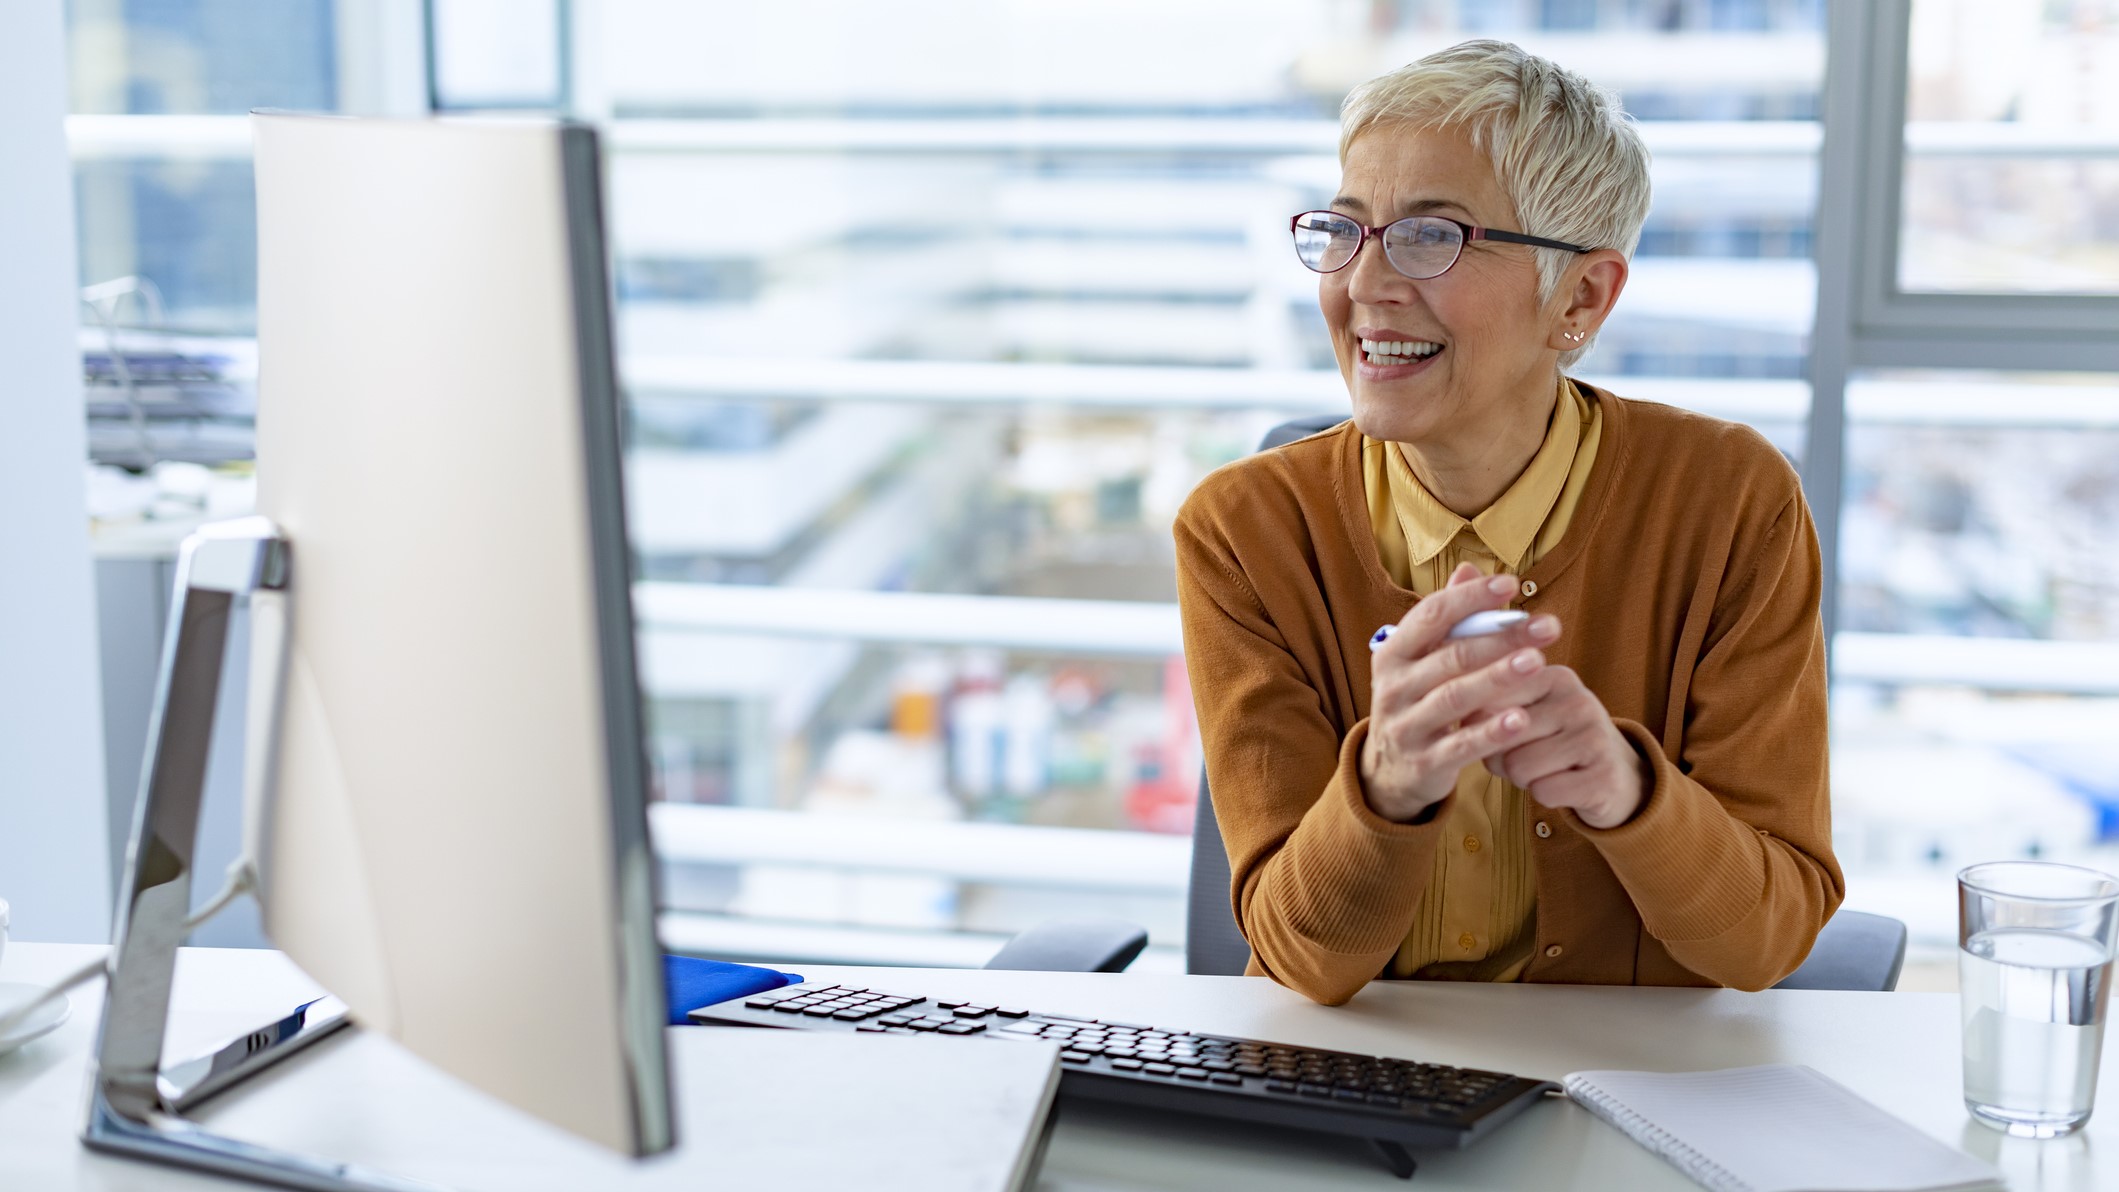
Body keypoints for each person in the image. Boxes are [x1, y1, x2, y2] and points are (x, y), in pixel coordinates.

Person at [1174, 40, 1842, 1006]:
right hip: (1365, 1089)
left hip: (1630, 1090)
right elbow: (1300, 958)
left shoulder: (1731, 502)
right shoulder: (1243, 531)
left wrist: (1630, 796)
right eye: (1346, 230)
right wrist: (1388, 781)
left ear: (1579, 296)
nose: (1364, 284)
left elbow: (1765, 944)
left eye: (1430, 237)